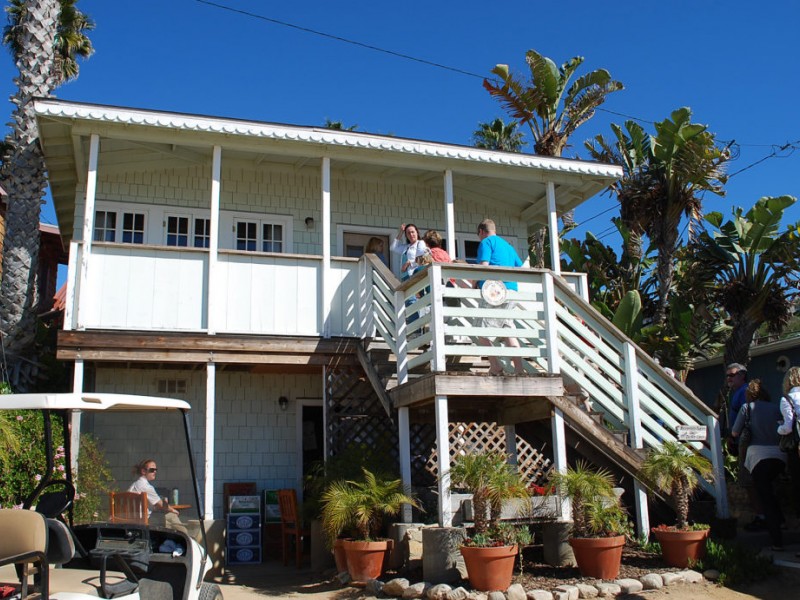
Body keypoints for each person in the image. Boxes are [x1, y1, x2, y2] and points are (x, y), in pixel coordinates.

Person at [731, 379, 786, 550]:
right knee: (770, 490)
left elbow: (735, 432)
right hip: (780, 456)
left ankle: (777, 541)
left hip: (758, 457)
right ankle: (781, 521)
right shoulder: (776, 407)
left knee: (765, 497)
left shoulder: (747, 408)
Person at [474, 218, 524, 375]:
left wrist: (474, 283)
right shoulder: (508, 246)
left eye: (479, 235)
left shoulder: (487, 242)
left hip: (495, 290)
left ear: (482, 232)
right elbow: (520, 266)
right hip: (512, 292)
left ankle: (495, 365)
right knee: (508, 329)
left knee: (479, 328)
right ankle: (519, 369)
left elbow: (484, 265)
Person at [129, 458, 189, 535]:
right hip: (145, 520)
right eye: (151, 470)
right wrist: (173, 510)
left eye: (155, 470)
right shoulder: (146, 487)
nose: (155, 472)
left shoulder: (134, 485)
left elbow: (150, 505)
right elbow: (162, 505)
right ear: (143, 471)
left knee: (167, 519)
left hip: (133, 520)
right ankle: (186, 536)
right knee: (172, 515)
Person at [777, 366, 800, 522]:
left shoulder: (788, 399)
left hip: (797, 448)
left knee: (798, 483)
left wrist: (778, 428)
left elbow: (787, 426)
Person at [726, 363, 748, 434]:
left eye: (732, 375)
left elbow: (746, 415)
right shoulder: (737, 392)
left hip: (743, 436)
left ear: (742, 376)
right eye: (727, 376)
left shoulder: (745, 391)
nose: (728, 378)